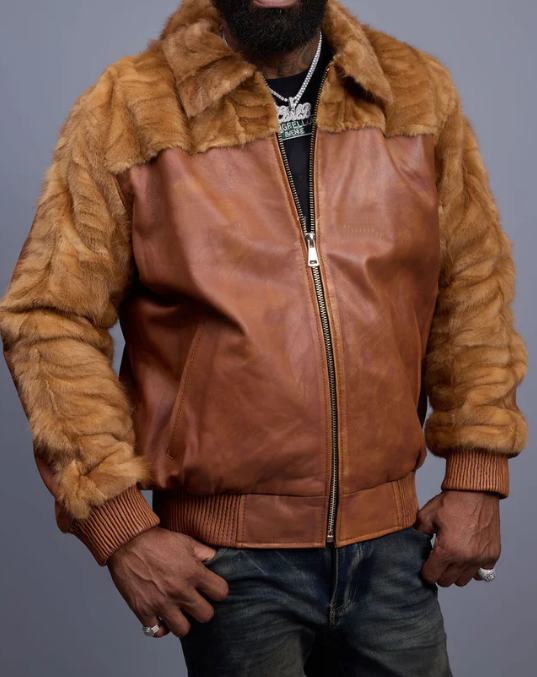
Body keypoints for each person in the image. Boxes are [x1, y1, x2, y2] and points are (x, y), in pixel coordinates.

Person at [0, 0, 528, 674]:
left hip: (394, 548)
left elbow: (471, 287)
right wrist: (121, 530)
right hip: (227, 565)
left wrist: (478, 473)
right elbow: (49, 317)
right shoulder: (128, 110)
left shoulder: (414, 92)